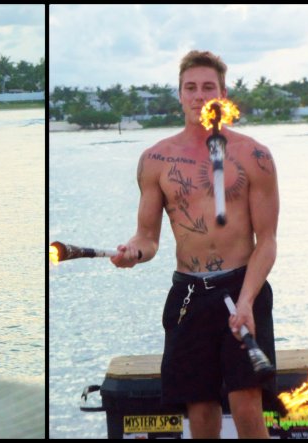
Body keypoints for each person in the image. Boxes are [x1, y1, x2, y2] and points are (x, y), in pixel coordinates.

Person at [111, 50, 280, 438]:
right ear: (180, 94)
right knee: (200, 410)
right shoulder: (156, 159)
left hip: (242, 287)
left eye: (208, 87)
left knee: (246, 404)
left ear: (223, 93)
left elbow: (267, 241)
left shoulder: (254, 156)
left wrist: (247, 302)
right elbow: (148, 237)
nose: (199, 95)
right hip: (189, 295)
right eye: (191, 87)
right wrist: (133, 252)